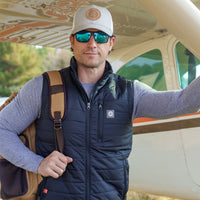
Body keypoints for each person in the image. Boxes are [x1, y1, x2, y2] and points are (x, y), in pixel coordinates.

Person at [0, 4, 200, 200]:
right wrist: (37, 163)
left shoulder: (130, 92)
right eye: (84, 36)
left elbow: (183, 102)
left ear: (111, 43)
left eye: (101, 36)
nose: (92, 43)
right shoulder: (44, 87)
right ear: (72, 41)